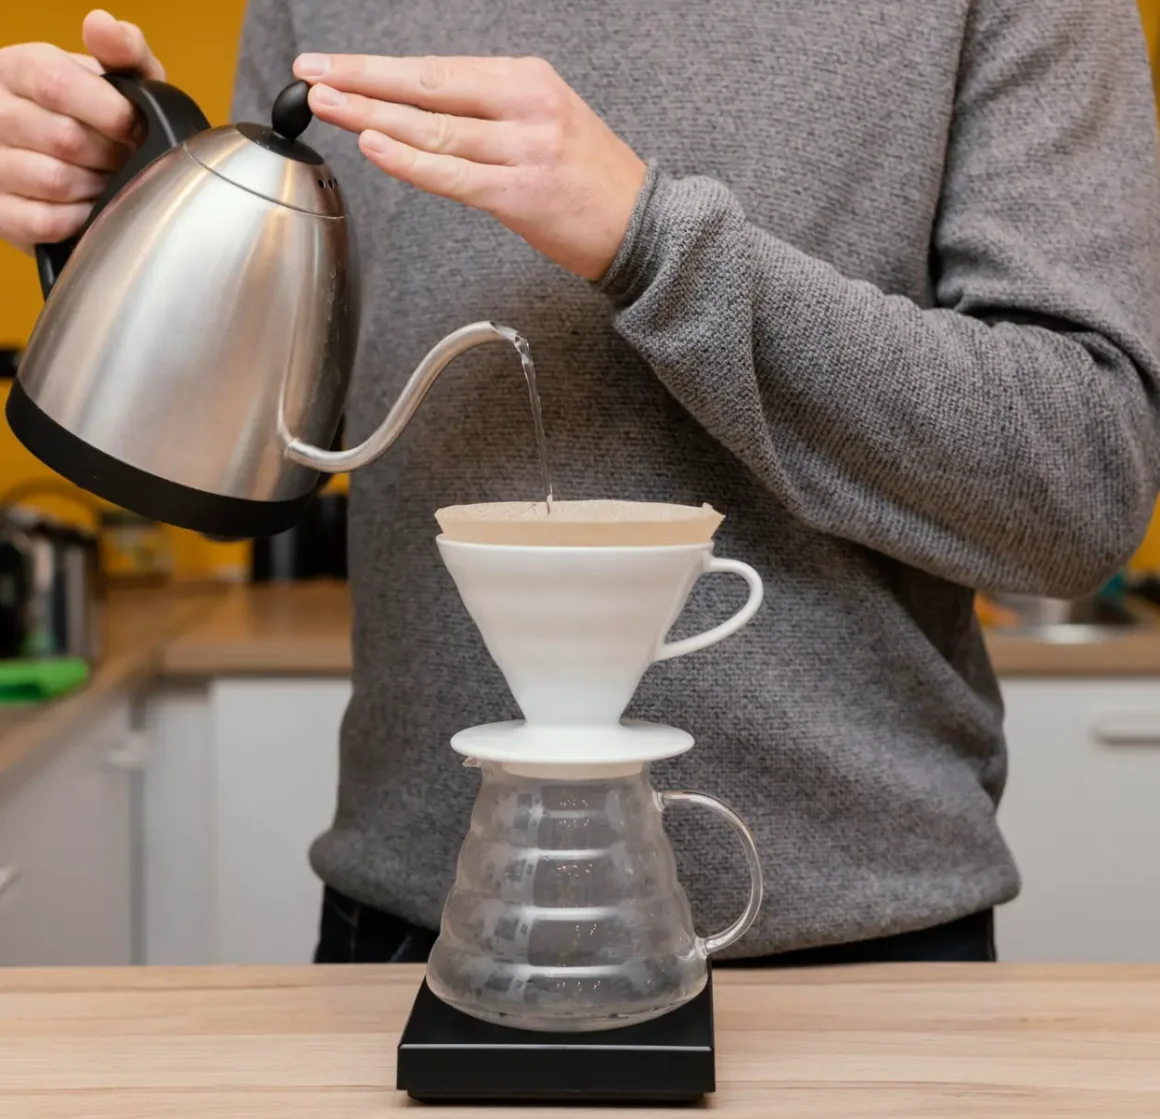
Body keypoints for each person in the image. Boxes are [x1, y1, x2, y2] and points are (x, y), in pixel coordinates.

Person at [3, 4, 1159, 966]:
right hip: (416, 925)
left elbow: (1081, 482)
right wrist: (148, 229)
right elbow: (278, 449)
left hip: (861, 952)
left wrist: (653, 241)